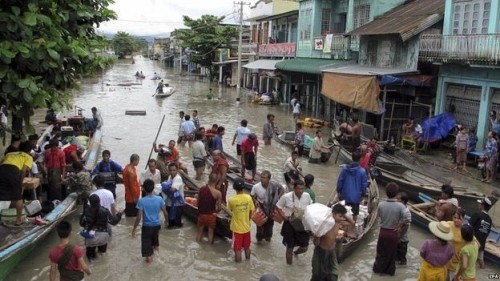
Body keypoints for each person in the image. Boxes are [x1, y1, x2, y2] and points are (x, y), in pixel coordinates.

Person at [372, 182, 410, 276]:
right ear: (396, 194)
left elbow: (380, 216)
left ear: (386, 193)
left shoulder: (381, 204)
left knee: (380, 252)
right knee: (391, 253)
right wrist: (400, 225)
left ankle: (378, 271)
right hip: (394, 233)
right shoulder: (401, 206)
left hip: (383, 231)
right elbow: (408, 219)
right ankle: (389, 272)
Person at [131, 179, 168, 263]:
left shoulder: (142, 201)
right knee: (155, 245)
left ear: (143, 188)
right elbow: (165, 213)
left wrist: (134, 229)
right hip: (157, 226)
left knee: (147, 253)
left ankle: (150, 268)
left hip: (147, 227)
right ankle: (158, 260)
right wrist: (166, 221)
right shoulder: (159, 199)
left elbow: (139, 217)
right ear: (154, 187)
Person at [276, 179, 313, 265]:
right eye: (298, 189)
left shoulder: (307, 196)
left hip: (302, 223)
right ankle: (289, 268)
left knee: (305, 247)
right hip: (290, 224)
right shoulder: (286, 196)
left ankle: (296, 253)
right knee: (289, 247)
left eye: (302, 189)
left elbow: (311, 207)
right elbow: (278, 206)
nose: (300, 191)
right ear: (294, 188)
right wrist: (283, 216)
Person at [311, 204, 349, 281]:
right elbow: (316, 243)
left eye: (343, 216)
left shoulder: (338, 223)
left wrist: (343, 213)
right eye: (340, 216)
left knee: (334, 275)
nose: (342, 218)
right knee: (317, 275)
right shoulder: (325, 225)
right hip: (320, 252)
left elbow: (352, 222)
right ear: (333, 214)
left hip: (332, 252)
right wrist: (317, 237)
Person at [0, 141, 33, 225]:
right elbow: (23, 171)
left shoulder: (9, 154)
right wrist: (21, 183)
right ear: (29, 150)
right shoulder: (28, 157)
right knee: (18, 197)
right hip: (13, 172)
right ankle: (18, 220)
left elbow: (1, 163)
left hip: (2, 171)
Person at [81, 194, 122, 261]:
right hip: (103, 237)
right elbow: (113, 222)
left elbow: (81, 223)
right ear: (99, 201)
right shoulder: (105, 210)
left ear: (90, 202)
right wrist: (119, 215)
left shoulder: (86, 211)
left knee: (91, 258)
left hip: (90, 237)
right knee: (102, 256)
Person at [250, 170, 284, 242]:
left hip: (271, 210)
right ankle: (258, 245)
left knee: (269, 233)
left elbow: (282, 189)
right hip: (261, 210)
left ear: (269, 179)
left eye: (264, 178)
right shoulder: (256, 187)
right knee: (260, 232)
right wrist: (255, 201)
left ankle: (267, 245)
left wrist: (278, 197)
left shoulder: (274, 185)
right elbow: (251, 196)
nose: (262, 179)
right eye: (261, 177)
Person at [336, 150, 367, 228]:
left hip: (345, 195)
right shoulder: (362, 171)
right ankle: (352, 228)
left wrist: (339, 191)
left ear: (351, 158)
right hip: (356, 197)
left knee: (344, 213)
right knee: (354, 214)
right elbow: (364, 185)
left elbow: (340, 181)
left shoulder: (344, 169)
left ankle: (342, 228)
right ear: (360, 159)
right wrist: (363, 194)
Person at [228, 178, 255, 262]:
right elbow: (251, 211)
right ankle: (248, 262)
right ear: (243, 187)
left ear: (234, 188)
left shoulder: (231, 200)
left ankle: (238, 268)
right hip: (246, 227)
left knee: (237, 249)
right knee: (247, 247)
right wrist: (248, 221)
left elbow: (230, 211)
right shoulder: (249, 198)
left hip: (237, 229)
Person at [196, 173, 222, 244]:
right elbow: (219, 208)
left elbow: (197, 203)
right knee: (210, 234)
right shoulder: (218, 193)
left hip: (201, 215)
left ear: (209, 179)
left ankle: (197, 246)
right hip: (211, 216)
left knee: (199, 233)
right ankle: (208, 249)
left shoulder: (201, 189)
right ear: (216, 181)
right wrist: (216, 212)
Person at [469, 196, 493, 269]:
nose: (478, 205)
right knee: (481, 261)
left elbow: (468, 227)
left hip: (473, 242)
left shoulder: (477, 214)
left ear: (482, 205)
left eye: (480, 203)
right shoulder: (489, 219)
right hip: (482, 243)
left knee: (467, 260)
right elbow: (487, 233)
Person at [446, 208, 467, 281]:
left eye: (459, 218)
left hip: (456, 262)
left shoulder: (465, 231)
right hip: (444, 259)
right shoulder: (448, 224)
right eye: (454, 217)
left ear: (463, 219)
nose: (456, 220)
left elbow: (474, 244)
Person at [162, 162, 185, 228]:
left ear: (177, 170)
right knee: (170, 223)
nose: (172, 172)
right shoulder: (170, 177)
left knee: (177, 224)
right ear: (168, 171)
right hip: (169, 203)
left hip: (177, 204)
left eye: (174, 170)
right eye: (170, 170)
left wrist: (163, 186)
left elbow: (173, 189)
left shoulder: (178, 178)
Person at [396, 192, 411, 266]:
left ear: (403, 201)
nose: (396, 200)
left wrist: (399, 237)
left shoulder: (406, 212)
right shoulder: (400, 209)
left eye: (398, 199)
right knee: (396, 256)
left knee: (402, 258)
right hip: (398, 236)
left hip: (403, 238)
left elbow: (406, 226)